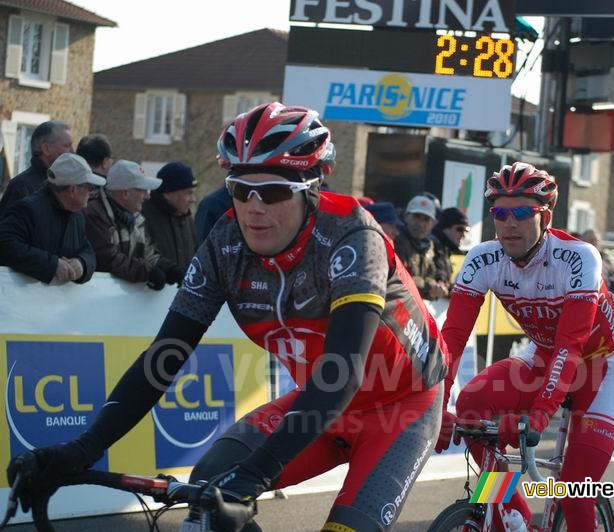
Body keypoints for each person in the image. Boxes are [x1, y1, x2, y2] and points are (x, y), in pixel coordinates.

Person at [7, 102, 447, 531]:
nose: (254, 207)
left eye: (273, 191)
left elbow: (342, 372)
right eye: (240, 189)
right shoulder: (225, 246)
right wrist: (82, 448)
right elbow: (163, 360)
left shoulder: (351, 234)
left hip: (400, 407)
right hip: (320, 405)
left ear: (312, 187)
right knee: (211, 486)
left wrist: (256, 475)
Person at [435, 162, 614, 531]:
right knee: (473, 405)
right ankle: (511, 512)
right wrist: (438, 407)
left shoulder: (579, 258)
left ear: (546, 216)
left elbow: (571, 345)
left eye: (522, 212)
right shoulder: (482, 259)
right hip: (543, 354)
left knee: (574, 486)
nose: (509, 222)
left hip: (599, 365)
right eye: (500, 212)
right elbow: (452, 338)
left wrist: (540, 414)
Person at [0, 153, 102, 284]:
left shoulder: (77, 215)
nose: (91, 193)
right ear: (72, 190)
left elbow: (87, 250)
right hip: (19, 300)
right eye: (90, 187)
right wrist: (52, 265)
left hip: (54, 302)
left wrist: (81, 263)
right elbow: (5, 244)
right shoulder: (29, 209)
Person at [84, 160, 182, 290]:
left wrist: (170, 269)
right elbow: (108, 259)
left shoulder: (135, 217)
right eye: (142, 190)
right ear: (125, 193)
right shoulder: (94, 214)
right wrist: (148, 273)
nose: (147, 196)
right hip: (94, 300)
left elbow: (148, 254)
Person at [0, 121, 74, 214]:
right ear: (46, 149)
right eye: (67, 146)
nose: (73, 152)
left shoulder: (66, 184)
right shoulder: (21, 186)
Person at [141, 162, 198, 274]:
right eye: (188, 193)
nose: (193, 199)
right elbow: (143, 257)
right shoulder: (142, 218)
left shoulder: (187, 220)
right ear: (167, 193)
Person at [394, 194, 450, 301]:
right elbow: (399, 277)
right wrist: (430, 287)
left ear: (432, 223)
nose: (420, 223)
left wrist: (438, 284)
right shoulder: (396, 240)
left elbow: (432, 274)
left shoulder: (429, 246)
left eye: (426, 219)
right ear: (406, 216)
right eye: (417, 216)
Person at [431, 207, 469, 291]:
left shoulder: (444, 248)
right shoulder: (432, 246)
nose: (463, 235)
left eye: (466, 230)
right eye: (460, 229)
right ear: (445, 228)